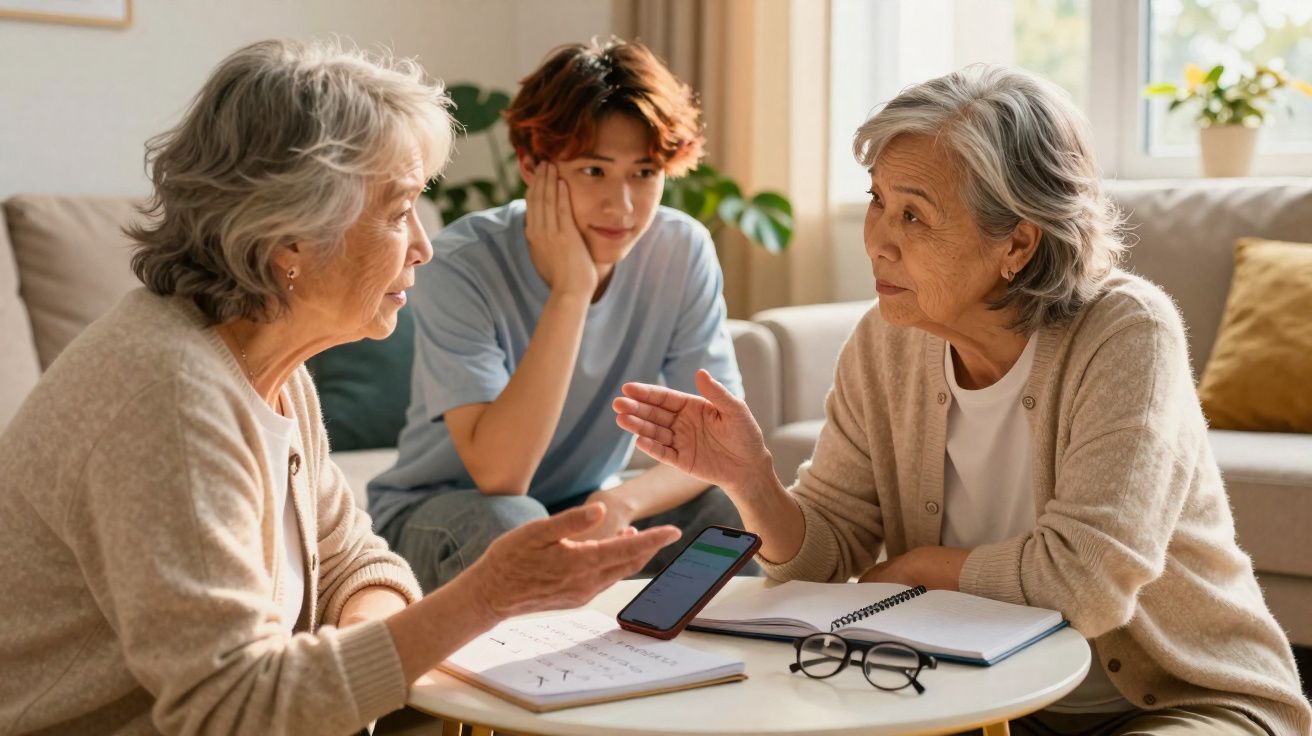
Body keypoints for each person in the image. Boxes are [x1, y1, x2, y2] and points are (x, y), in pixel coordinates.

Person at [0, 39, 679, 736]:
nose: (422, 245)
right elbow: (232, 710)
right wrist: (485, 597)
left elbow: (357, 560)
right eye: (398, 210)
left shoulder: (273, 371)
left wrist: (361, 646)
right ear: (290, 234)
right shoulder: (172, 399)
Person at [614, 64, 1312, 735]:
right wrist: (754, 482)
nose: (877, 241)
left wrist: (920, 569)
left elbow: (1088, 581)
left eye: (914, 216)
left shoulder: (1128, 333)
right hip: (987, 704)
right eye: (877, 201)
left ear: (1017, 243)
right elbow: (821, 561)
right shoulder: (885, 344)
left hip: (1178, 703)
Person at [368, 38, 748, 592]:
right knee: (513, 524)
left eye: (643, 172)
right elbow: (501, 477)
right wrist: (572, 290)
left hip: (579, 503)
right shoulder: (460, 261)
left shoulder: (679, 249)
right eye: (594, 171)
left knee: (725, 512)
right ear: (532, 165)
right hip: (446, 511)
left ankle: (709, 667)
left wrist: (620, 502)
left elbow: (719, 444)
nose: (622, 206)